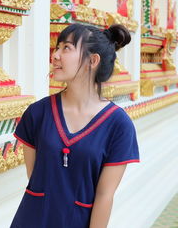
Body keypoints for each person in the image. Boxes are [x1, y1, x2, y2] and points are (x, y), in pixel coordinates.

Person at [10, 23, 140, 228]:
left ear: (92, 60)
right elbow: (36, 180)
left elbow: (104, 196)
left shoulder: (118, 125)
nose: (55, 56)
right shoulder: (37, 114)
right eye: (56, 48)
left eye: (66, 48)